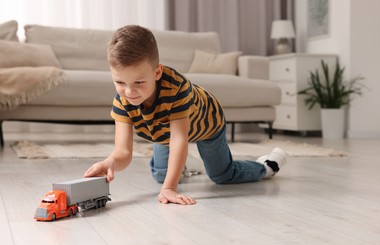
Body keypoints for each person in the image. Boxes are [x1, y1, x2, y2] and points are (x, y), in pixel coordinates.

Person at [84, 25, 288, 205]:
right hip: (163, 130)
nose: (129, 92)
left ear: (157, 73)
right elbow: (123, 152)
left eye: (138, 82)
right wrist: (110, 162)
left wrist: (169, 189)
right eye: (120, 82)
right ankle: (184, 163)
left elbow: (180, 139)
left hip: (206, 124)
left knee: (222, 175)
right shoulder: (122, 100)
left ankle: (266, 166)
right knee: (161, 175)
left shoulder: (176, 89)